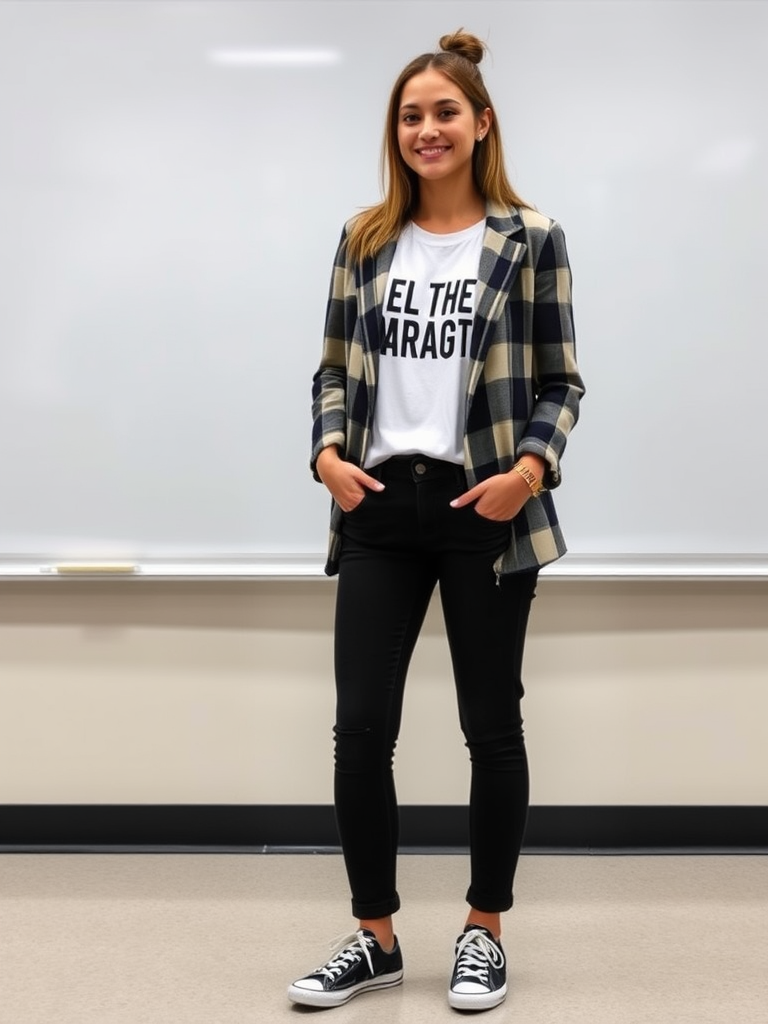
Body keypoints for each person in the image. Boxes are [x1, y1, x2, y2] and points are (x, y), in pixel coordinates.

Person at [288, 28, 585, 1013]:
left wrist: (529, 470)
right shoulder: (366, 238)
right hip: (378, 503)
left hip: (485, 508)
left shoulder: (530, 237)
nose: (426, 128)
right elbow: (334, 367)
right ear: (396, 131)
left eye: (444, 112)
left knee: (489, 725)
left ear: (480, 122)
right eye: (410, 115)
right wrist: (328, 455)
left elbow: (561, 381)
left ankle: (483, 931)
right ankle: (373, 936)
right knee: (359, 728)